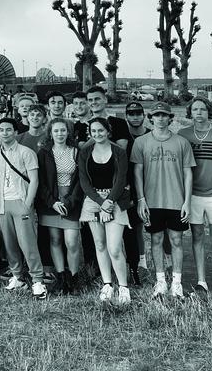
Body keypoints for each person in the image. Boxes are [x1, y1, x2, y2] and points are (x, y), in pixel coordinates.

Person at [133, 102, 196, 298]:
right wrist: (141, 199)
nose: (160, 118)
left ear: (170, 118)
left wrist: (187, 201)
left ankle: (176, 282)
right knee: (156, 239)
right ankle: (160, 281)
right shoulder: (141, 142)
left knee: (176, 239)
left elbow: (188, 173)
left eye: (164, 115)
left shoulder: (181, 142)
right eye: (157, 115)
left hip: (176, 200)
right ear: (151, 118)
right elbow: (137, 172)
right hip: (152, 200)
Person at [177, 97, 212, 298]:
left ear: (209, 111)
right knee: (197, 237)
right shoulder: (183, 135)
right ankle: (201, 282)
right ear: (190, 112)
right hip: (193, 195)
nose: (199, 112)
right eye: (195, 109)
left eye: (202, 109)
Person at [0, 117, 47, 298]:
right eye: (2, 130)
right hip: (3, 204)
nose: (5, 133)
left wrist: (28, 204)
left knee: (27, 243)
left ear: (15, 132)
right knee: (10, 244)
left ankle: (38, 280)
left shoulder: (26, 152)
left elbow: (35, 180)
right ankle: (17, 277)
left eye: (9, 130)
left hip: (21, 202)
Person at [79, 117, 132, 304]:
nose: (97, 134)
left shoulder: (118, 152)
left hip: (115, 199)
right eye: (93, 131)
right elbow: (84, 181)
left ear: (108, 131)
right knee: (100, 244)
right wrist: (100, 202)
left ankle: (124, 287)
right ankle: (107, 283)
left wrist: (109, 202)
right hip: (94, 200)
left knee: (115, 247)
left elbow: (121, 179)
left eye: (100, 131)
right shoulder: (85, 152)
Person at [37, 118, 83, 295]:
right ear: (50, 133)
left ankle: (74, 278)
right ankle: (61, 278)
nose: (60, 134)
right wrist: (52, 202)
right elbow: (40, 182)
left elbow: (81, 181)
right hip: (51, 201)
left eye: (63, 130)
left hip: (71, 200)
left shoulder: (76, 151)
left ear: (68, 132)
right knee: (55, 240)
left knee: (71, 242)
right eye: (56, 131)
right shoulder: (44, 153)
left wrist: (70, 201)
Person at [123, 101, 150, 285]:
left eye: (138, 113)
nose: (135, 116)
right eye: (131, 114)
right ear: (126, 116)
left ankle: (167, 263)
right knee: (135, 226)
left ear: (144, 115)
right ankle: (141, 262)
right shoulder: (123, 135)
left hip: (151, 185)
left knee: (158, 228)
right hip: (131, 187)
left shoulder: (150, 135)